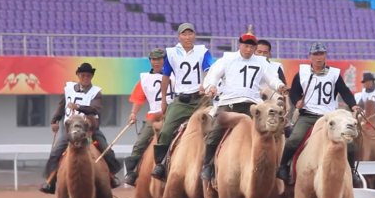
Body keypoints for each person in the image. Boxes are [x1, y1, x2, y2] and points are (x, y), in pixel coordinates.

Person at [199, 26, 289, 181]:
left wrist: (279, 86)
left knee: (270, 131)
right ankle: (207, 165)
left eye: (251, 46)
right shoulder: (227, 59)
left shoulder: (261, 62)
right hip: (229, 103)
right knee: (214, 133)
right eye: (245, 46)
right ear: (239, 45)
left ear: (255, 48)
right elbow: (212, 76)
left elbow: (272, 78)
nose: (248, 49)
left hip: (252, 105)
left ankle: (274, 166)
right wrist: (211, 87)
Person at [276, 42, 363, 187]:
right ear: (310, 56)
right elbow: (295, 91)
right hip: (308, 115)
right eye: (315, 55)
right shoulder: (302, 72)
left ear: (325, 56)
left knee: (350, 141)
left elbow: (345, 91)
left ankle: (352, 172)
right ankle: (283, 167)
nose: (318, 57)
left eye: (321, 54)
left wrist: (352, 104)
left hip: (330, 117)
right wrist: (297, 101)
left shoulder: (334, 74)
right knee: (294, 139)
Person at [39, 63, 122, 194]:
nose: (85, 78)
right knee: (56, 153)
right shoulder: (69, 89)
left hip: (89, 129)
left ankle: (112, 176)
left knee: (106, 149)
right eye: (83, 75)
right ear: (78, 75)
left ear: (91, 77)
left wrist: (79, 107)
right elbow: (62, 106)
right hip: (69, 129)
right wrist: (54, 121)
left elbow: (95, 109)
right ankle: (50, 182)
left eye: (88, 76)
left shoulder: (96, 92)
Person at [150, 23, 214, 181]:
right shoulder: (171, 53)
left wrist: (204, 85)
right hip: (181, 100)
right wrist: (164, 100)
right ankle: (161, 164)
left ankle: (212, 164)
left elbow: (208, 70)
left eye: (190, 34)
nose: (187, 37)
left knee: (215, 128)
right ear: (179, 37)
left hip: (201, 99)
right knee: (166, 130)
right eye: (184, 34)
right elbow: (165, 76)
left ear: (194, 35)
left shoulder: (203, 51)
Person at [122, 48, 175, 186]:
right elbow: (139, 98)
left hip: (174, 113)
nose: (156, 62)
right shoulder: (145, 79)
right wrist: (133, 113)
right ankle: (132, 171)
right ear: (150, 61)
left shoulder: (175, 75)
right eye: (153, 59)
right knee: (141, 141)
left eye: (159, 59)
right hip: (153, 115)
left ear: (165, 60)